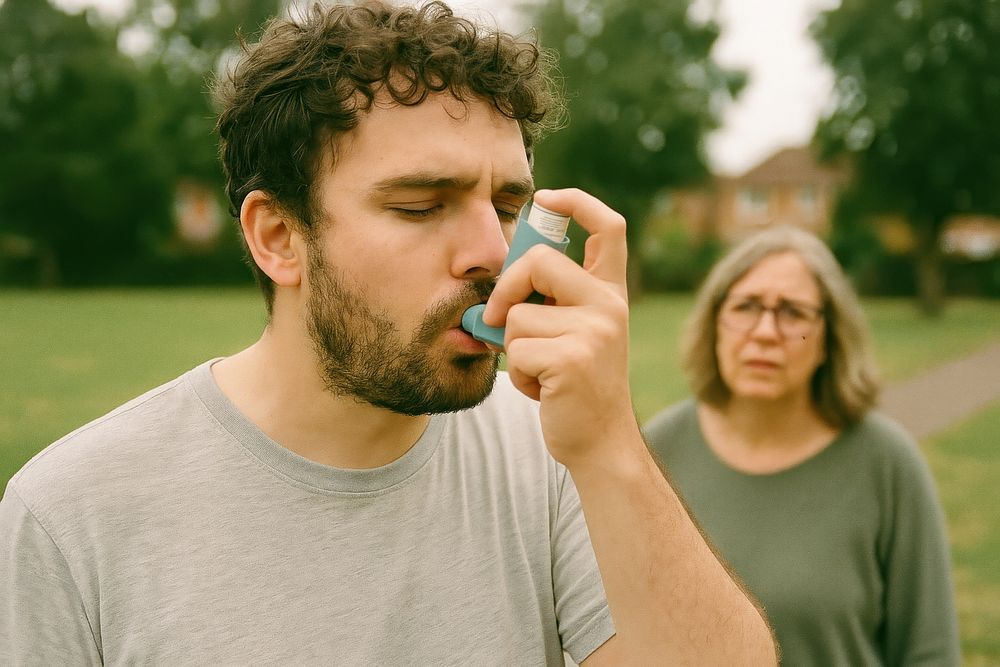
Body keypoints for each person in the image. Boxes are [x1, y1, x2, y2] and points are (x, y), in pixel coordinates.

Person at [0, 2, 776, 664]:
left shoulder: (553, 454)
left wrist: (611, 447)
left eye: (507, 207)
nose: (489, 253)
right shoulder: (72, 513)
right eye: (418, 205)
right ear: (278, 236)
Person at [645, 225, 961, 665]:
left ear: (829, 338)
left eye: (792, 313)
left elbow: (930, 652)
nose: (765, 331)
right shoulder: (659, 450)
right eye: (746, 306)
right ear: (715, 322)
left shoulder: (887, 462)